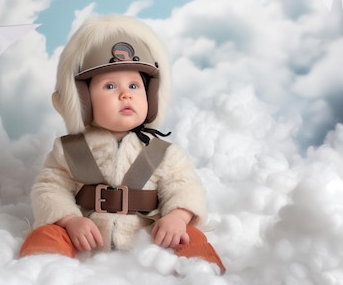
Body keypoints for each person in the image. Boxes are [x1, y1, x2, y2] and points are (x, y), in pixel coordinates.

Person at [19, 15, 225, 274]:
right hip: (86, 234)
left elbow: (185, 188)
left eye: (134, 85)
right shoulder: (69, 150)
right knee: (48, 234)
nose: (125, 94)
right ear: (83, 101)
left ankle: (203, 276)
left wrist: (177, 217)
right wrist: (69, 220)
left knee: (189, 237)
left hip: (148, 235)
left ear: (151, 96)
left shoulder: (164, 154)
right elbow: (49, 188)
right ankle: (36, 273)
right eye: (110, 85)